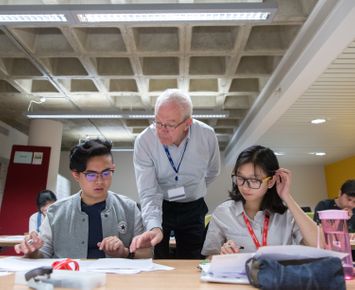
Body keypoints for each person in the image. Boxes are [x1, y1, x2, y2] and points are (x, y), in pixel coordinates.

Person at [15, 138, 152, 259]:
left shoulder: (129, 208)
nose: (100, 181)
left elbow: (147, 253)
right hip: (68, 282)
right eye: (91, 175)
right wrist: (32, 251)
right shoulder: (55, 212)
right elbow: (42, 254)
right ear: (76, 174)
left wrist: (124, 252)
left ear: (113, 169)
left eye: (106, 173)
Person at [131, 89, 220, 259]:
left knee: (192, 259)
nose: (162, 130)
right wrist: (154, 226)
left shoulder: (206, 136)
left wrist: (194, 190)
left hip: (193, 206)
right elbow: (148, 192)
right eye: (158, 121)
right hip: (160, 204)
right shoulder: (145, 141)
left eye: (170, 125)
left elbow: (213, 172)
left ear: (188, 123)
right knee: (156, 258)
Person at [202, 145, 320, 256]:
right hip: (239, 276)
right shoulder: (224, 212)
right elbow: (209, 257)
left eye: (254, 180)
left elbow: (319, 245)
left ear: (271, 181)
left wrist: (287, 196)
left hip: (279, 276)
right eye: (240, 178)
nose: (245, 186)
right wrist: (224, 256)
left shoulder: (287, 215)